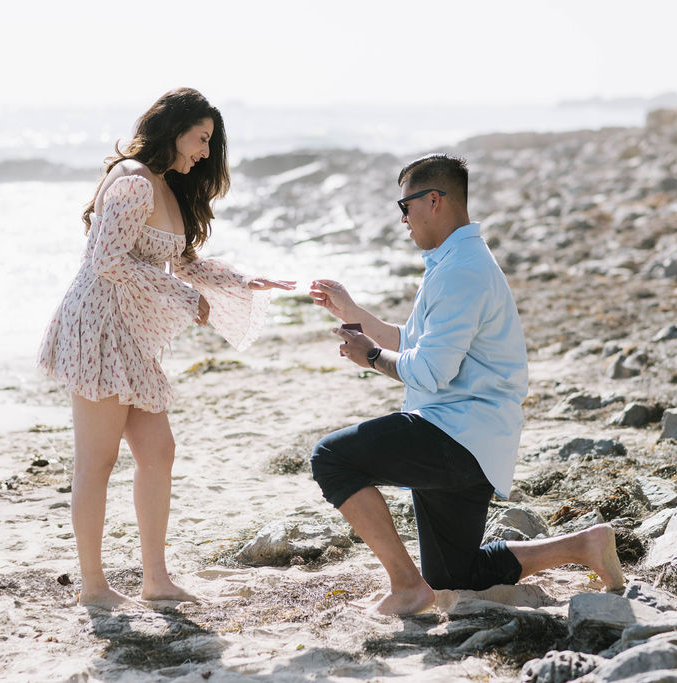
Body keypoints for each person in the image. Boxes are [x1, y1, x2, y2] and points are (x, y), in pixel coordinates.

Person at [308, 154, 624, 616]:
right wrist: (355, 314)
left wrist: (371, 357)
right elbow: (417, 343)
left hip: (456, 434)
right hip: (470, 438)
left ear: (433, 200)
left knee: (331, 458)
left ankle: (405, 586)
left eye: (405, 206)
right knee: (456, 576)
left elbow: (432, 371)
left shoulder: (461, 271)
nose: (402, 220)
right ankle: (584, 545)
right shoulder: (454, 261)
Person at [38, 88, 295, 609]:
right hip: (98, 328)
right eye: (201, 138)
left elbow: (181, 263)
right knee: (97, 461)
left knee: (158, 452)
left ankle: (154, 579)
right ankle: (93, 588)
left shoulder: (167, 186)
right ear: (172, 129)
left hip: (130, 333)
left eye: (210, 142)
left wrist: (243, 280)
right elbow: (107, 260)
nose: (204, 151)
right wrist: (182, 296)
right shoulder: (133, 181)